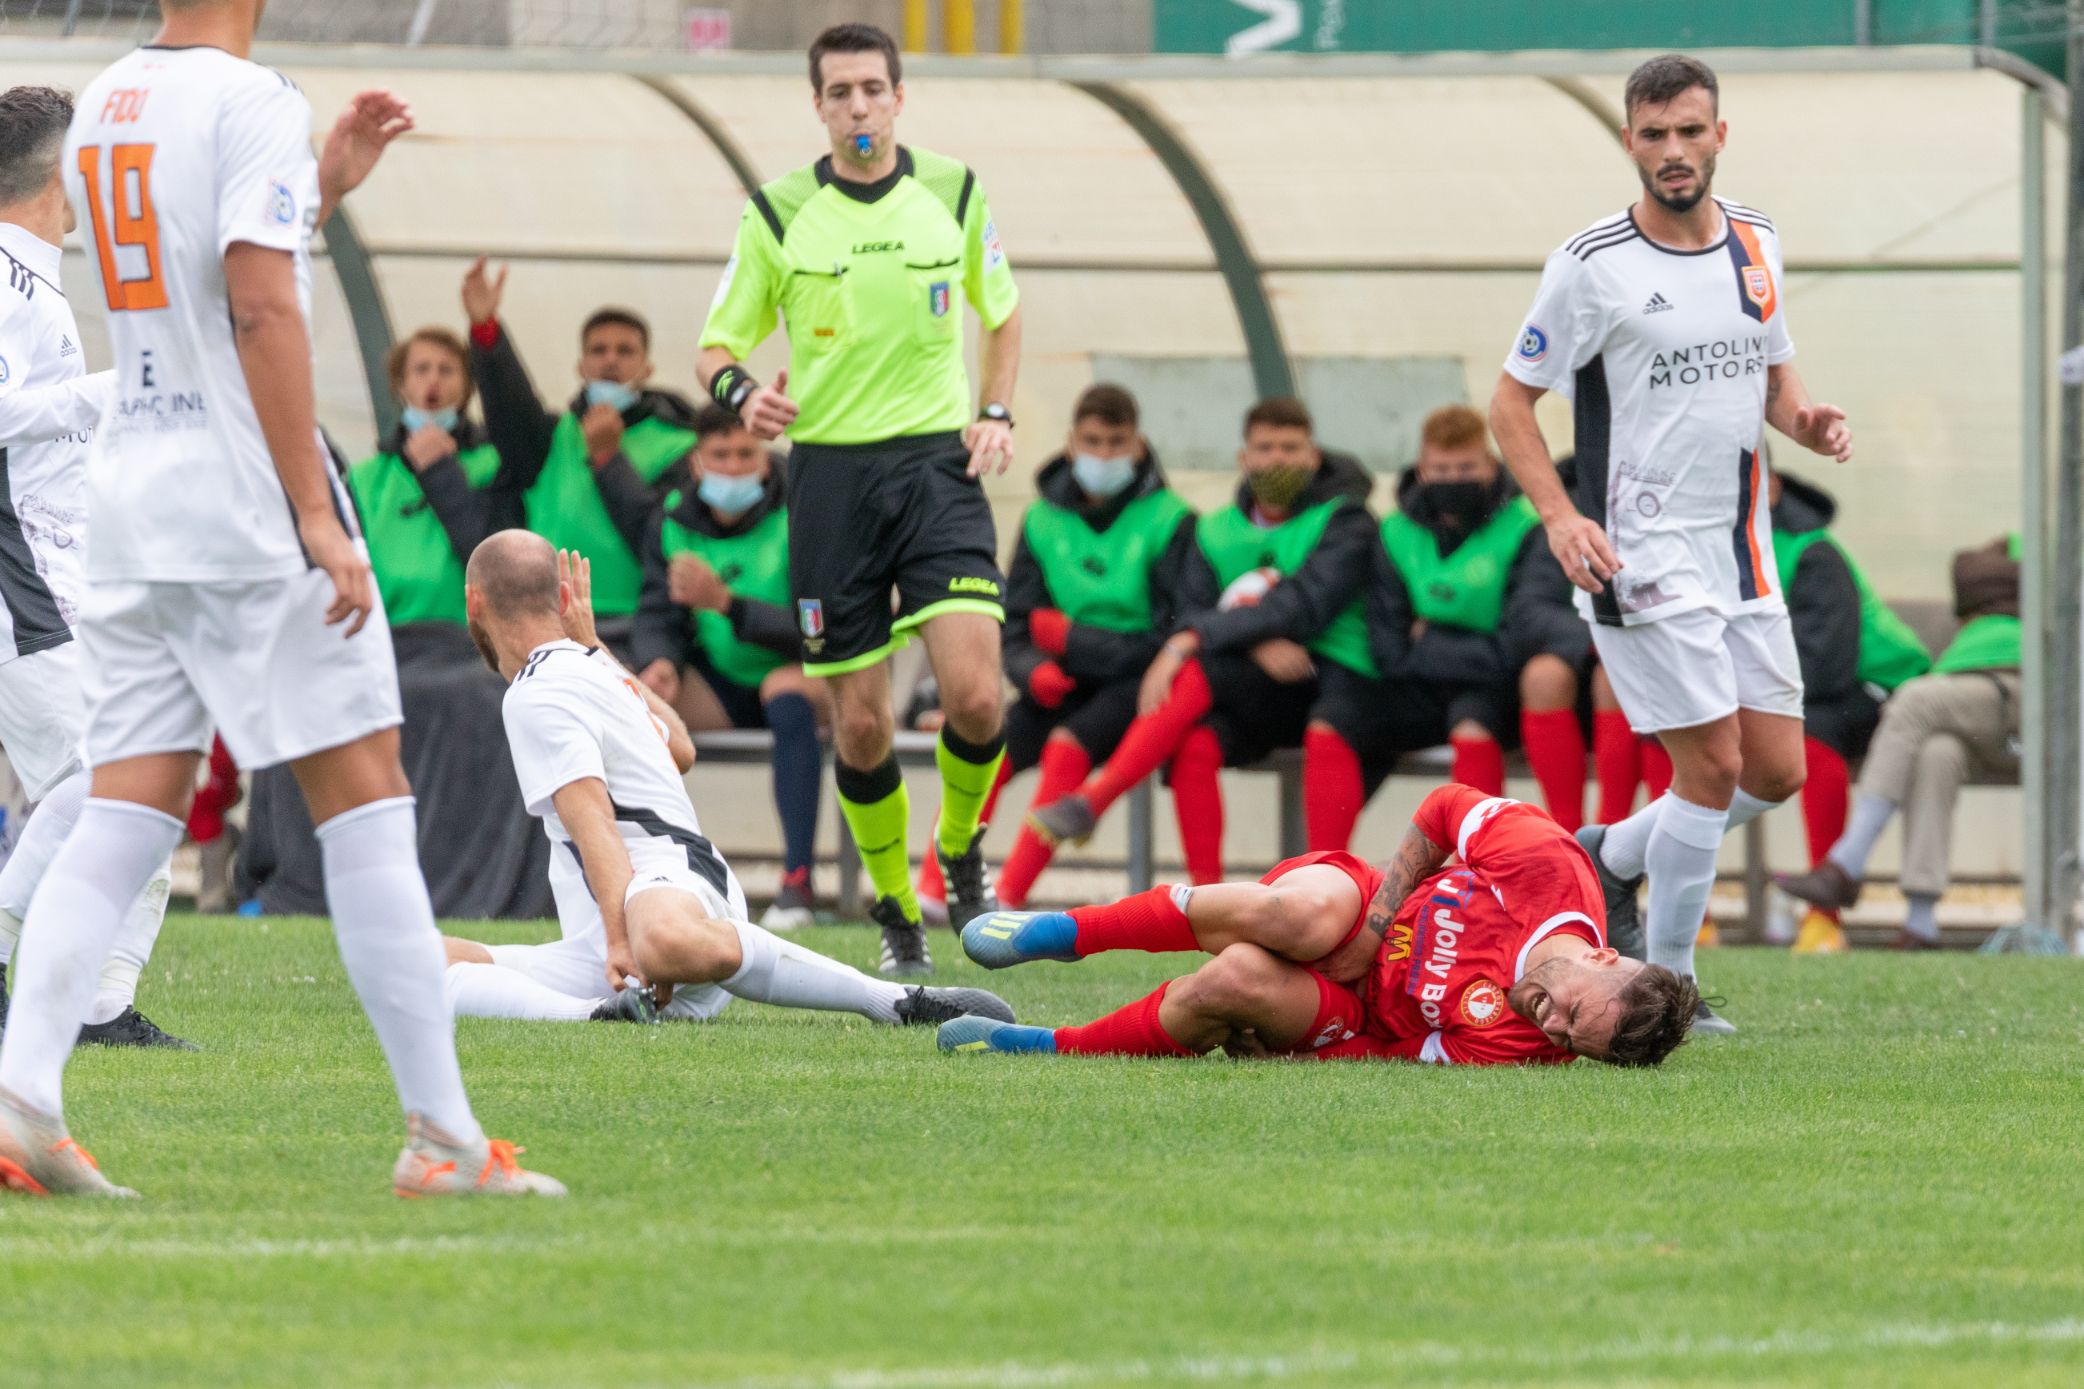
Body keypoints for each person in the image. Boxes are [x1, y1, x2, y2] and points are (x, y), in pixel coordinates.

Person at [0, 4, 558, 1199]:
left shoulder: (111, 99)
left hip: (134, 499)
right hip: (244, 493)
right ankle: (442, 1138)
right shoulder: (251, 97)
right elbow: (256, 306)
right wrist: (314, 507)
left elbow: (199, 277)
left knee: (123, 803)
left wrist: (326, 187)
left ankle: (23, 1101)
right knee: (367, 804)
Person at [1489, 53, 1853, 1035]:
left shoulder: (1756, 241)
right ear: (1629, 143)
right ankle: (1671, 990)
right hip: (1639, 556)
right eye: (1653, 135)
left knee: (1774, 771)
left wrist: (1804, 420)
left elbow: (1773, 375)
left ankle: (1609, 857)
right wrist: (1560, 517)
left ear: (1718, 135)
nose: (1673, 151)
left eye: (1690, 131)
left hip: (1741, 552)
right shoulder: (1589, 263)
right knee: (1710, 770)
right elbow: (1510, 404)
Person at [697, 22, 1023, 976]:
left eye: (872, 88)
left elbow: (1002, 314)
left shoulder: (953, 192)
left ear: (899, 97)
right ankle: (893, 907)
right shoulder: (777, 212)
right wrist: (743, 395)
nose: (858, 106)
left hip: (936, 469)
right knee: (865, 722)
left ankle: (958, 849)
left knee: (975, 694)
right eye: (839, 92)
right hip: (831, 478)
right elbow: (715, 349)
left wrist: (995, 411)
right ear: (819, 106)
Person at [445, 536, 1013, 1033]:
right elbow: (681, 748)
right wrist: (598, 649)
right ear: (566, 598)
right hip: (620, 949)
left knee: (660, 939)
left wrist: (622, 940)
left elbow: (593, 821)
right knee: (422, 962)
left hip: (667, 897)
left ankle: (893, 999)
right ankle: (602, 1014)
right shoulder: (590, 665)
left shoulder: (536, 690)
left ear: (474, 602)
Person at [943, 783, 1698, 1068]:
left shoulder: (1523, 1049)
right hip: (1357, 906)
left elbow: (1396, 1051)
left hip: (1351, 1008)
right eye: (1572, 1013)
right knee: (1296, 916)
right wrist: (1371, 933)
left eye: (1568, 1041)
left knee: (1232, 981)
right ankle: (1064, 932)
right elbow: (1442, 809)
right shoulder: (1549, 864)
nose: (1552, 1026)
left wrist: (1294, 1052)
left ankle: (1046, 1046)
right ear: (1603, 955)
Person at [0, 85, 187, 1051]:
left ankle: (99, 1003)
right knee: (120, 774)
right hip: (18, 577)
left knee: (146, 772)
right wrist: (107, 392)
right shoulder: (5, 278)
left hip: (62, 569)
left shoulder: (34, 277)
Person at [1026, 397, 1377, 881]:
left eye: (1290, 448)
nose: (1277, 460)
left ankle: (1323, 884)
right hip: (1256, 681)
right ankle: (1206, 902)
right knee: (1193, 743)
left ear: (1313, 456)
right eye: (1265, 448)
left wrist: (1190, 639)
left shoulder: (1348, 521)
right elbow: (1190, 608)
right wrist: (1248, 641)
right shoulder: (1214, 529)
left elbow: (1302, 605)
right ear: (1243, 458)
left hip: (1336, 681)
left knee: (1205, 670)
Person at [959, 384, 1196, 911]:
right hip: (1058, 678)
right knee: (984, 752)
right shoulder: (1041, 518)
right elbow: (1016, 623)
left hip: (1133, 684)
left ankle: (1009, 897)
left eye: (1116, 442)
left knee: (1067, 745)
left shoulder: (1172, 518)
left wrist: (1072, 639)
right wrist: (1029, 669)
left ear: (1138, 445)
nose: (1104, 455)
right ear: (1071, 444)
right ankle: (937, 890)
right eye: (1093, 442)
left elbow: (1166, 638)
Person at [630, 406, 830, 932]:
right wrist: (660, 663)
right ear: (697, 462)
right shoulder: (671, 521)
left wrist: (727, 603)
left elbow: (821, 628)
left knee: (785, 696)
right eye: (720, 455)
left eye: (746, 454)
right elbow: (656, 612)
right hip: (721, 679)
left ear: (765, 460)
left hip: (801, 673)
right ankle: (654, 876)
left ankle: (798, 883)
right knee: (638, 706)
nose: (734, 467)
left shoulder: (802, 512)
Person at [1776, 535, 2018, 951]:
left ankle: (1847, 862)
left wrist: (1993, 584)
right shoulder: (2012, 563)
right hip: (1966, 690)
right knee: (1935, 754)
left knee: (1912, 700)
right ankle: (1921, 923)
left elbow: (1981, 573)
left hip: (2020, 686)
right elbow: (1967, 569)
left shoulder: (2051, 542)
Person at [1352, 403, 1567, 835]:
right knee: (1336, 717)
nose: (1453, 480)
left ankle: (1486, 853)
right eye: (1441, 469)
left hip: (1497, 687)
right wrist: (1465, 639)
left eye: (1466, 468)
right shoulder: (1395, 531)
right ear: (1422, 470)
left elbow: (1517, 643)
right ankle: (1315, 863)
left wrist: (1429, 636)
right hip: (1419, 684)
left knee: (1473, 722)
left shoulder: (1526, 525)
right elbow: (1389, 648)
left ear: (1490, 464)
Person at [463, 262, 698, 656]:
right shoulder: (553, 436)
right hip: (550, 621)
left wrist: (608, 458)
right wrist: (486, 330)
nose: (611, 360)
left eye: (625, 351)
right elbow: (508, 403)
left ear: (647, 368)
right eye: (598, 350)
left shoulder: (680, 445)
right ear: (580, 367)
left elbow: (658, 538)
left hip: (637, 625)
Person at [1767, 470, 1930, 952]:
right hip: (1801, 690)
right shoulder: (1718, 544)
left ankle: (1825, 915)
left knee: (1813, 728)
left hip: (1886, 690)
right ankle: (1691, 916)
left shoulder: (1813, 553)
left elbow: (1824, 668)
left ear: (1768, 487)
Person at [347, 326, 519, 630]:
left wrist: (441, 471)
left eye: (447, 369)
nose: (434, 379)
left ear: (467, 387)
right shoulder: (364, 476)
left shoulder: (495, 462)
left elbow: (497, 564)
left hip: (473, 636)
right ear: (400, 385)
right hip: (390, 635)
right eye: (421, 369)